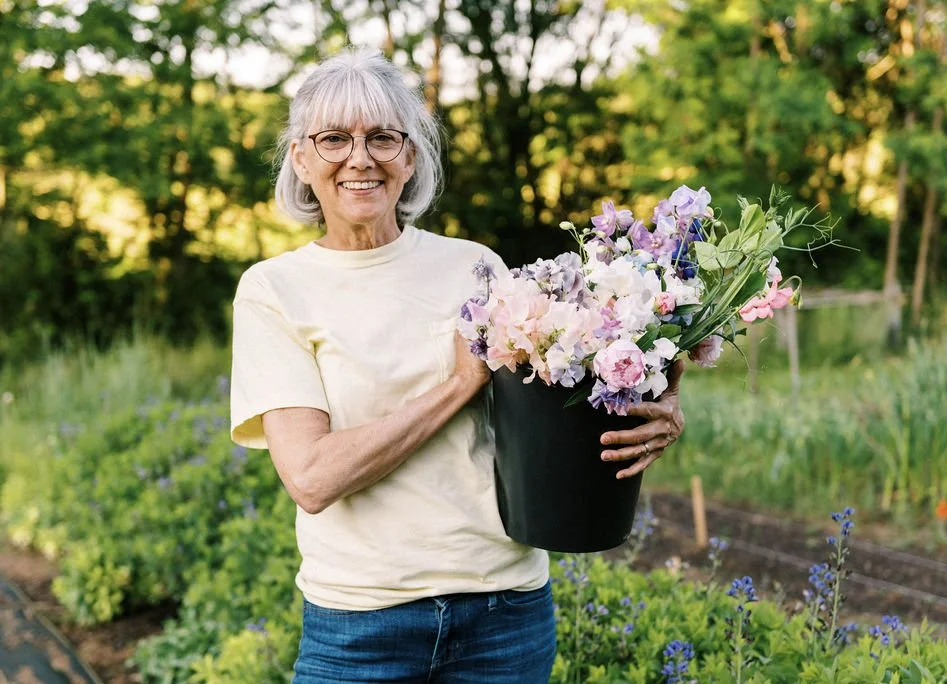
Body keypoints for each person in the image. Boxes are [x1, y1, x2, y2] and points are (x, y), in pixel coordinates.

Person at [228, 47, 685, 683]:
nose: (360, 158)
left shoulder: (474, 267)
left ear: (409, 157)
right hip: (361, 624)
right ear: (301, 159)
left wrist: (657, 405)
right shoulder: (275, 290)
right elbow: (312, 476)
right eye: (334, 138)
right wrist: (458, 386)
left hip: (504, 614)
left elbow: (555, 416)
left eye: (383, 138)